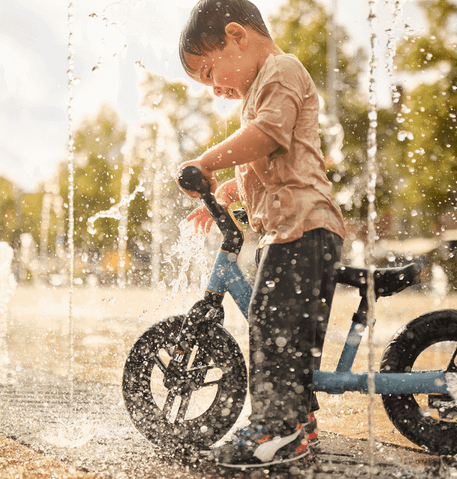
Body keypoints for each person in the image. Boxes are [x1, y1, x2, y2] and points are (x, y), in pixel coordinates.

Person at [176, 0, 346, 468]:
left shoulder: (282, 70)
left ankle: (274, 428)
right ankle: (299, 424)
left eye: (211, 72)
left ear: (237, 36)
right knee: (287, 336)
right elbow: (270, 157)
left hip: (303, 226)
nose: (215, 90)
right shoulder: (264, 86)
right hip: (297, 228)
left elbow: (268, 135)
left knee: (271, 327)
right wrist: (232, 188)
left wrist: (207, 161)